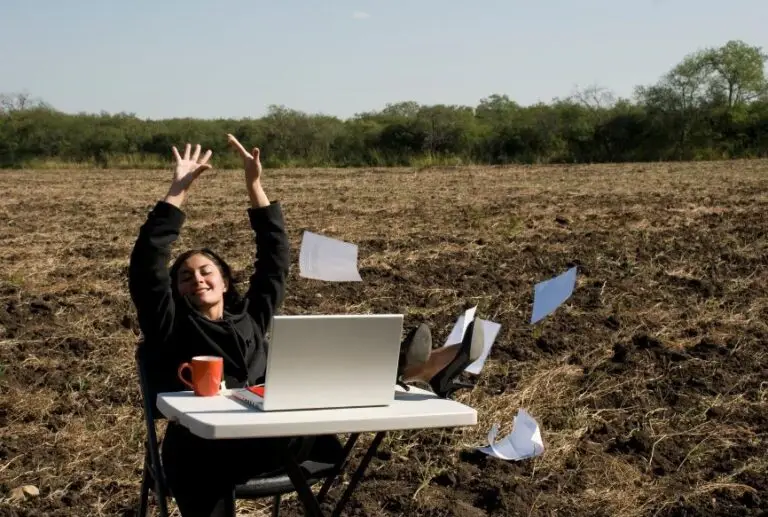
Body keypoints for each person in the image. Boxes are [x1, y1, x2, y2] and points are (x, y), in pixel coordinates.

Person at [128, 135, 484, 517]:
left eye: (205, 271)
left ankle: (419, 366)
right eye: (184, 276)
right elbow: (147, 265)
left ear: (225, 280)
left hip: (268, 436)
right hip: (205, 449)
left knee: (313, 385)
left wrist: (255, 187)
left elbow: (274, 259)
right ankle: (417, 369)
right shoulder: (169, 325)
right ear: (175, 289)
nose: (196, 279)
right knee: (289, 417)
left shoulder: (249, 316)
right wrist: (177, 190)